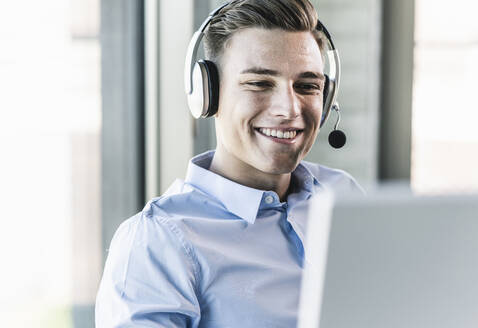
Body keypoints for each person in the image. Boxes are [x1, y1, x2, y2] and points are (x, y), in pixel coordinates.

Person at [95, 0, 362, 327]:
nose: (289, 109)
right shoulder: (158, 241)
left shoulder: (344, 194)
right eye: (260, 83)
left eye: (307, 86)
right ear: (207, 94)